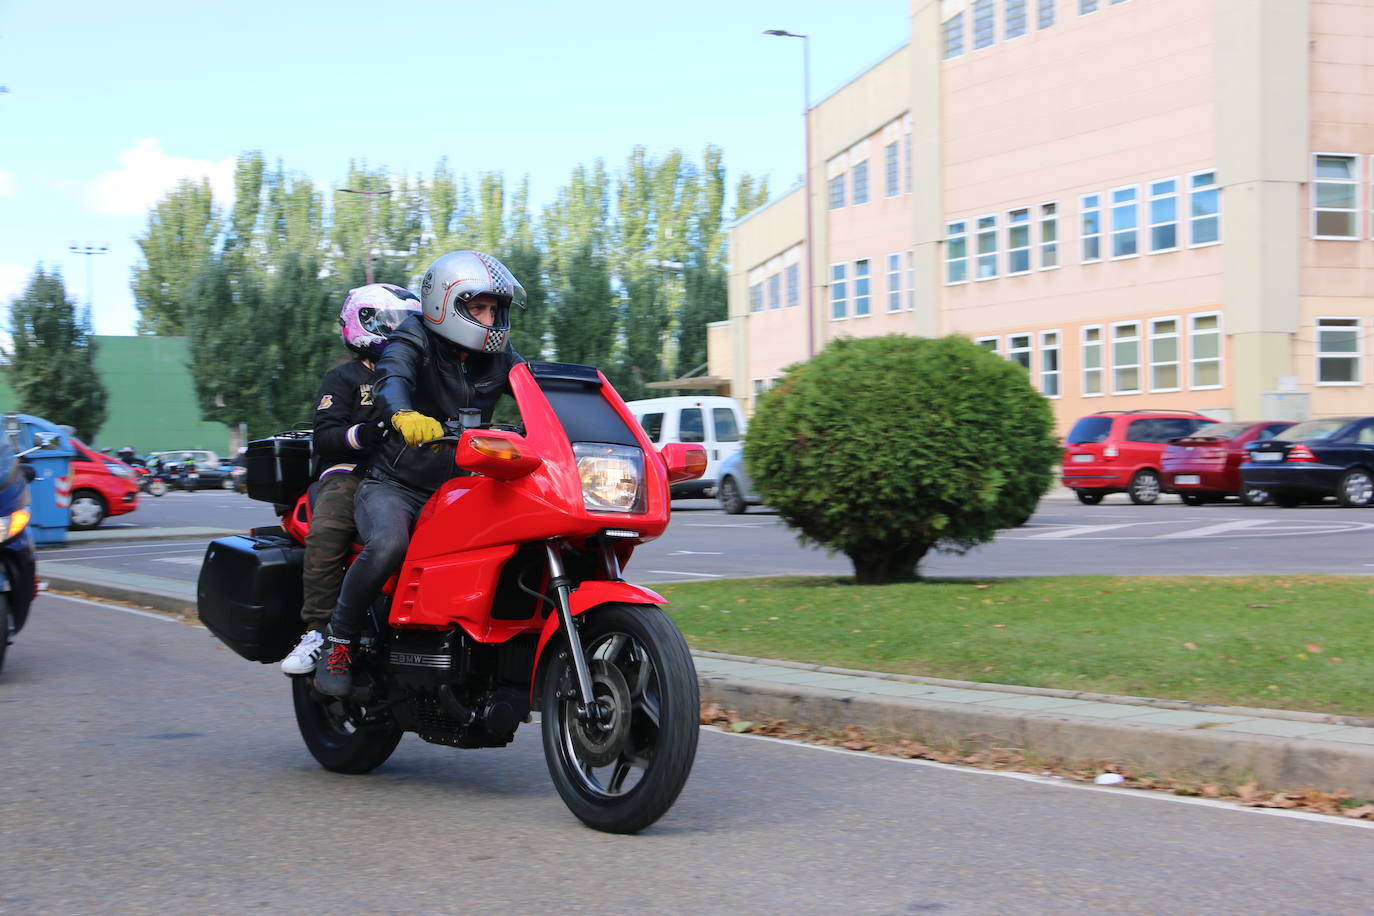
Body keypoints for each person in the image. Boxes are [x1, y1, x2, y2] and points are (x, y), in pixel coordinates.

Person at [314, 250, 526, 696]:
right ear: (444, 303)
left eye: (495, 309)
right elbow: (393, 377)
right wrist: (402, 413)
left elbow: (535, 386)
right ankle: (338, 640)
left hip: (462, 486)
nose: (490, 318)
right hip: (396, 484)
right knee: (390, 543)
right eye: (479, 307)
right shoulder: (414, 338)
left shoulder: (500, 355)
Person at [279, 283, 423, 675]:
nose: (404, 332)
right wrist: (363, 434)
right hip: (351, 473)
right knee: (330, 529)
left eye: (410, 324)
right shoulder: (344, 378)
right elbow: (324, 434)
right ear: (364, 323)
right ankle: (318, 632)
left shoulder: (417, 377)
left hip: (405, 474)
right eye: (394, 324)